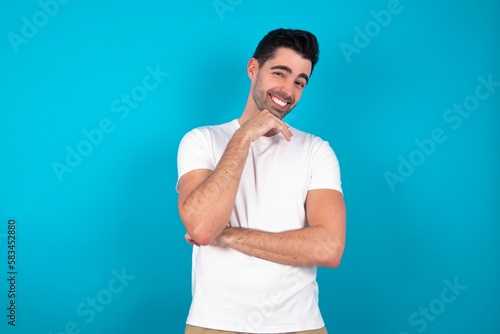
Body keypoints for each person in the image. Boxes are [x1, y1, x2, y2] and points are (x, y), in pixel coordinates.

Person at [176, 28, 346, 334]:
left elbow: (328, 248)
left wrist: (225, 235)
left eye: (299, 82)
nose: (288, 90)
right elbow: (202, 228)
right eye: (279, 73)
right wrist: (244, 136)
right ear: (253, 68)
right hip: (214, 324)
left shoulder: (316, 150)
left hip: (299, 325)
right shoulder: (201, 140)